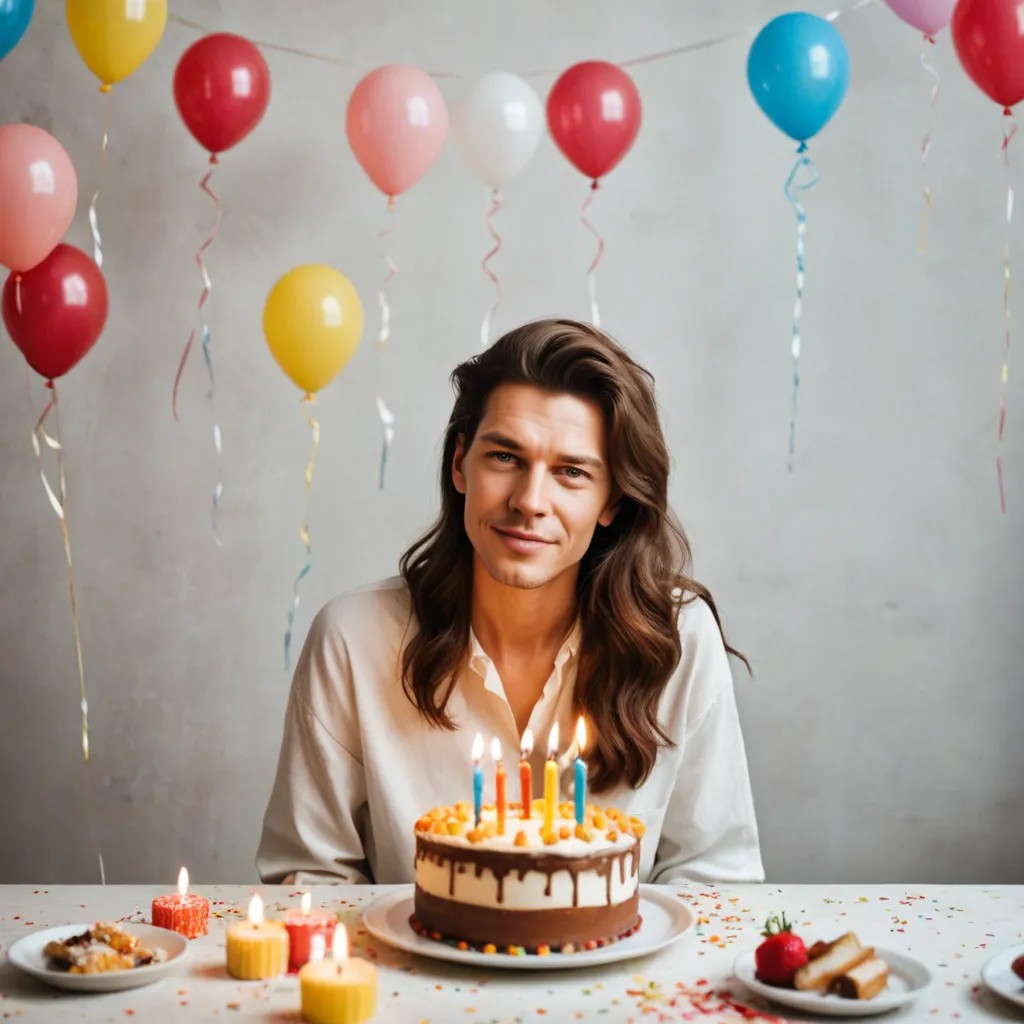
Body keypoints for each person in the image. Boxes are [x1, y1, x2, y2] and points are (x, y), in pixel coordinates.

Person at [257, 318, 763, 885]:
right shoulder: (353, 638)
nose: (529, 501)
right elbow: (307, 881)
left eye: (571, 472)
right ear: (459, 464)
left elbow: (715, 880)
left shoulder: (678, 640)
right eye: (504, 458)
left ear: (612, 500)